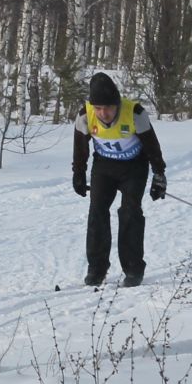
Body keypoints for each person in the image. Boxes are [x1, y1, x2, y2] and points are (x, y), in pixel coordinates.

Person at [71, 71, 167, 287]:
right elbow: (80, 148)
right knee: (97, 212)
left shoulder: (135, 113)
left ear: (117, 104)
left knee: (130, 212)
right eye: (98, 108)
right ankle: (97, 269)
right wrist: (78, 173)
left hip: (134, 167)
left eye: (108, 107)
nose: (103, 113)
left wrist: (159, 175)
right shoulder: (85, 115)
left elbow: (152, 146)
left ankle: (133, 269)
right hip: (104, 167)